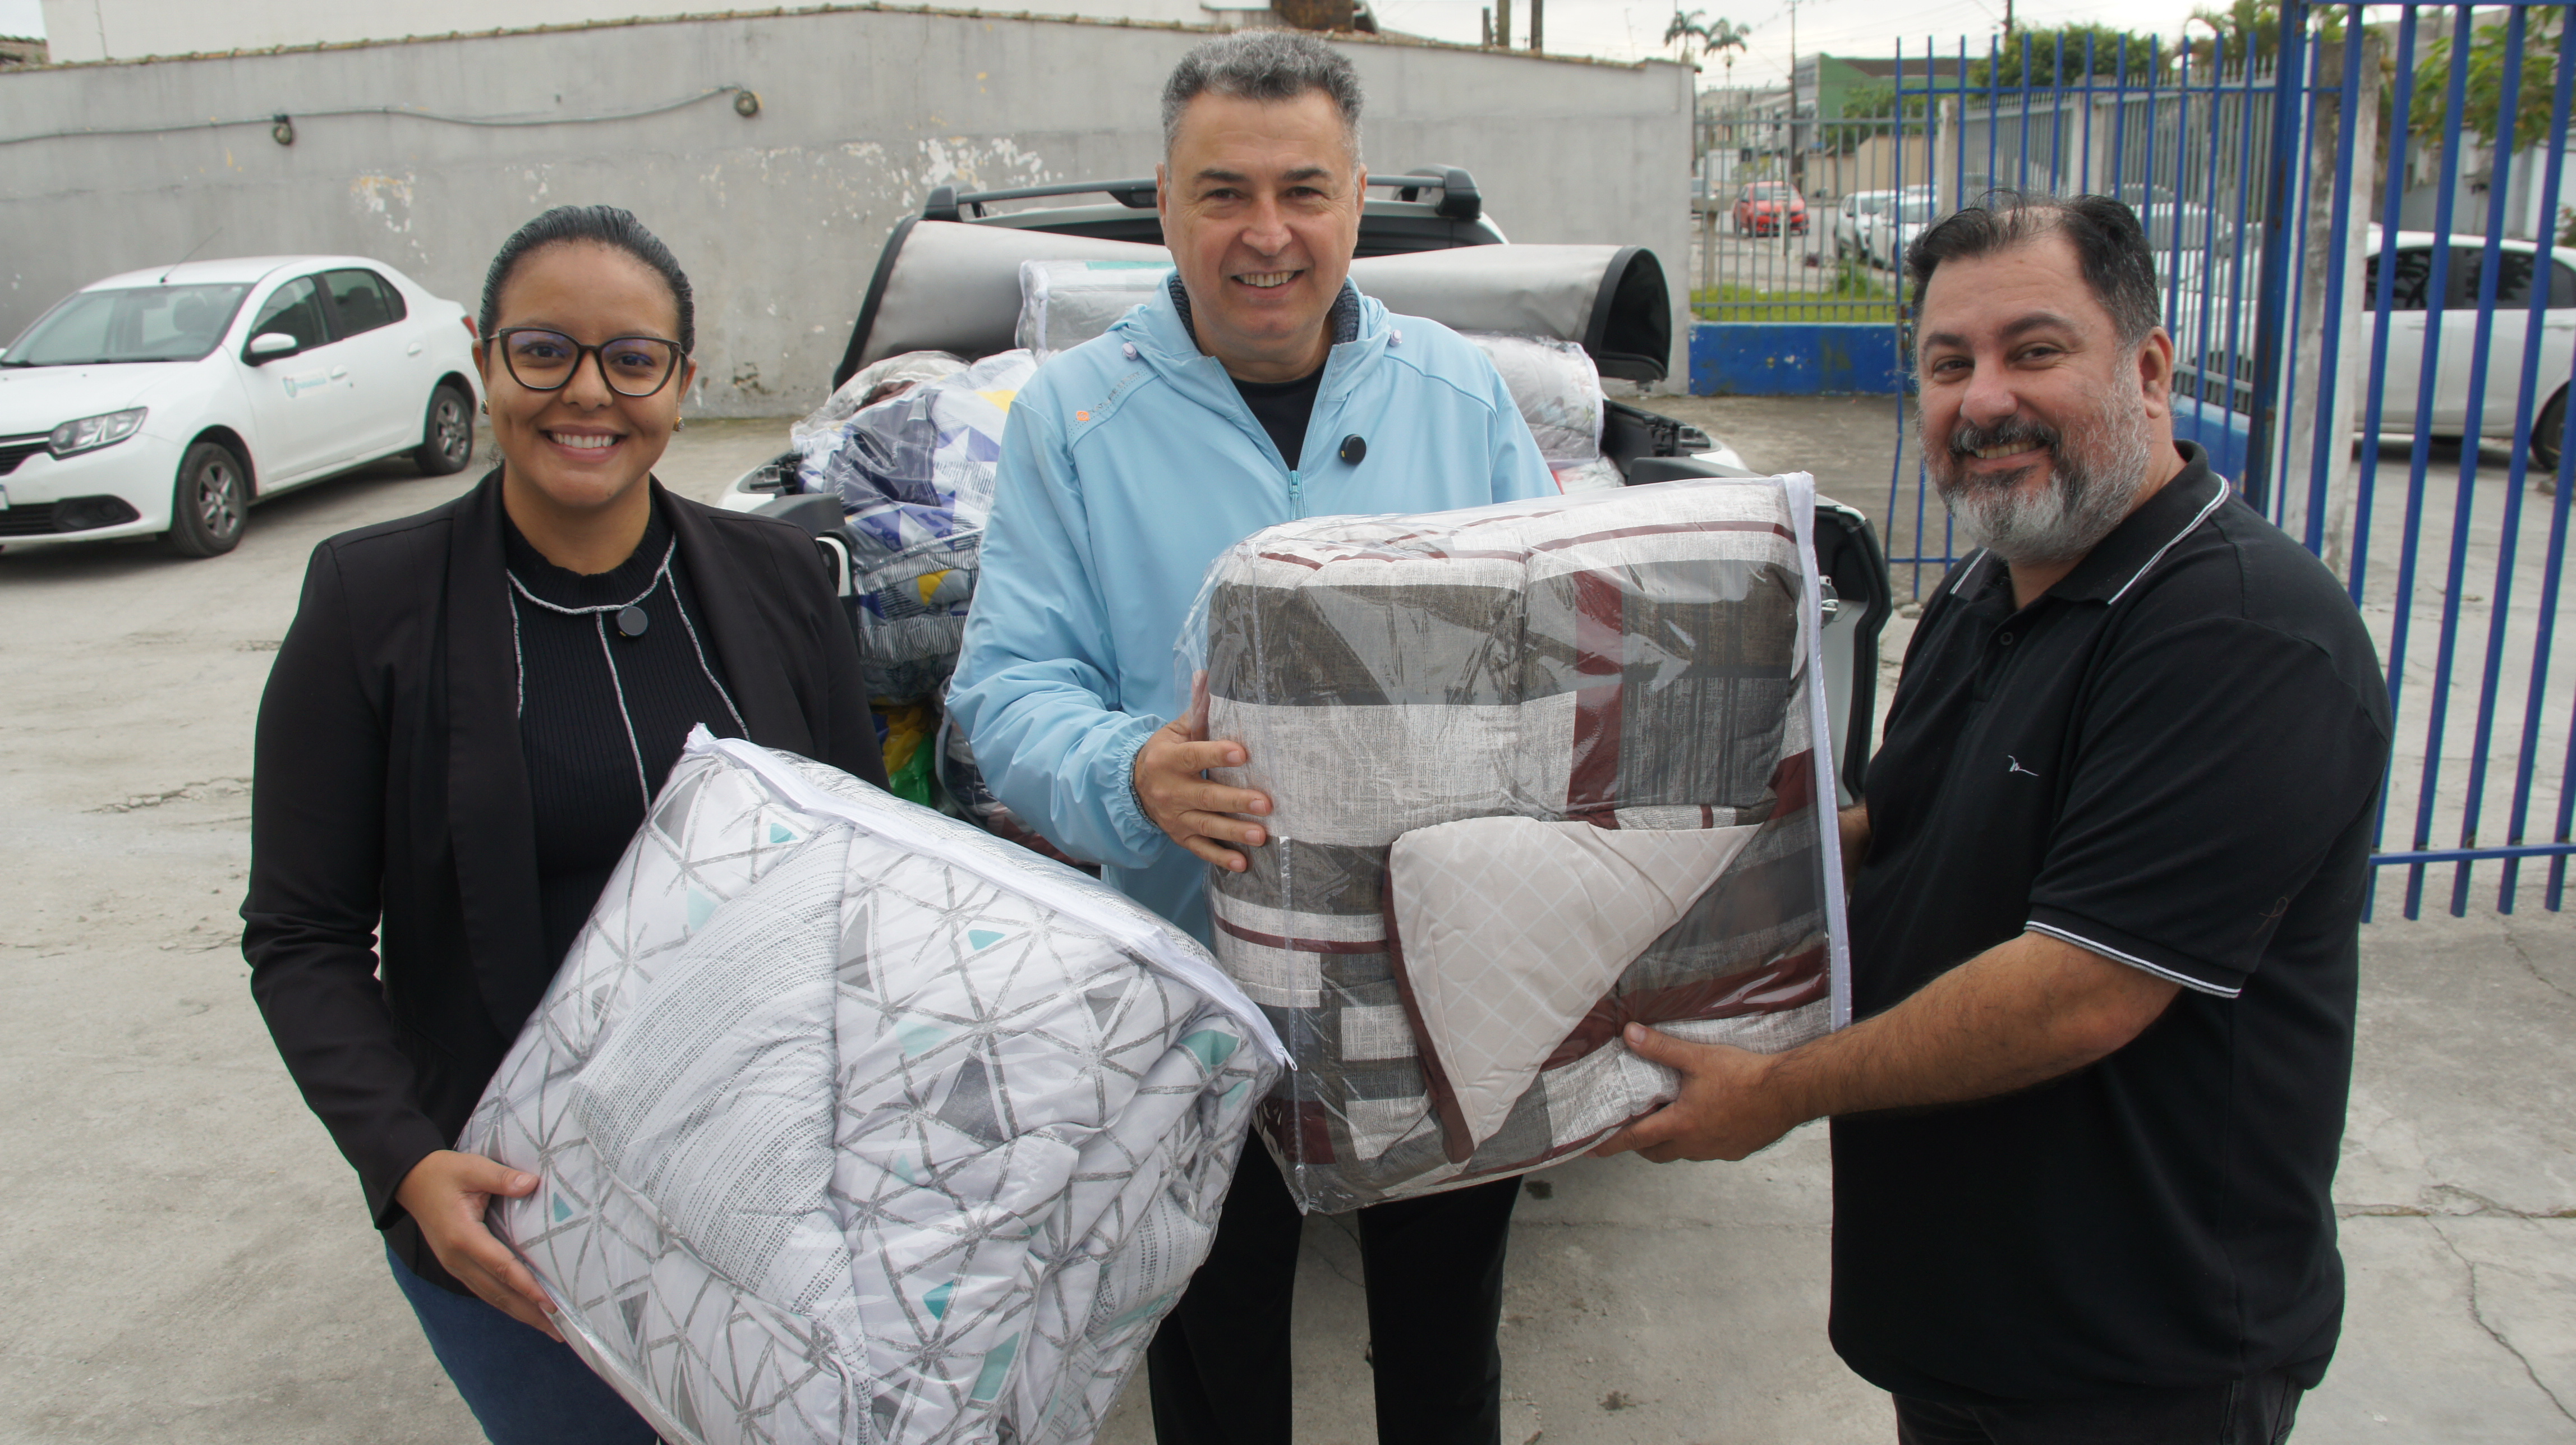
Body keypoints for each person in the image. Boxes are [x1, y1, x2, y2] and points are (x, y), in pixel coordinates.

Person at [1593, 192, 2391, 1444]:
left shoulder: (2241, 635)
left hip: (2134, 1348)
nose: (1983, 401)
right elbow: (1894, 830)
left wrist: (1777, 1090)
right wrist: (1648, 883)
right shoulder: (1990, 586)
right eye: (1948, 363)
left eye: (2035, 350)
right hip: (1962, 1306)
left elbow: (2082, 988)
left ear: (2147, 370)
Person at [946, 31, 1556, 1445]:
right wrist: (1129, 772)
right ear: (1164, 203)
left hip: (1436, 981)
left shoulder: (1460, 396)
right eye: (1224, 192)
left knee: (1443, 1351)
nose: (1265, 233)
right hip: (1192, 985)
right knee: (1214, 1358)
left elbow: (1561, 643)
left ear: (1357, 201)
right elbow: (1008, 684)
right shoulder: (1072, 417)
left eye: (1303, 191)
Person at [241, 205, 887, 1443]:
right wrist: (407, 1162)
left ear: (683, 384)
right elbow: (302, 936)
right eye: (544, 351)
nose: (587, 392)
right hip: (509, 1209)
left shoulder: (780, 582)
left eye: (632, 359)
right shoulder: (370, 602)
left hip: (765, 1183)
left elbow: (863, 873)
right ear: (484, 358)